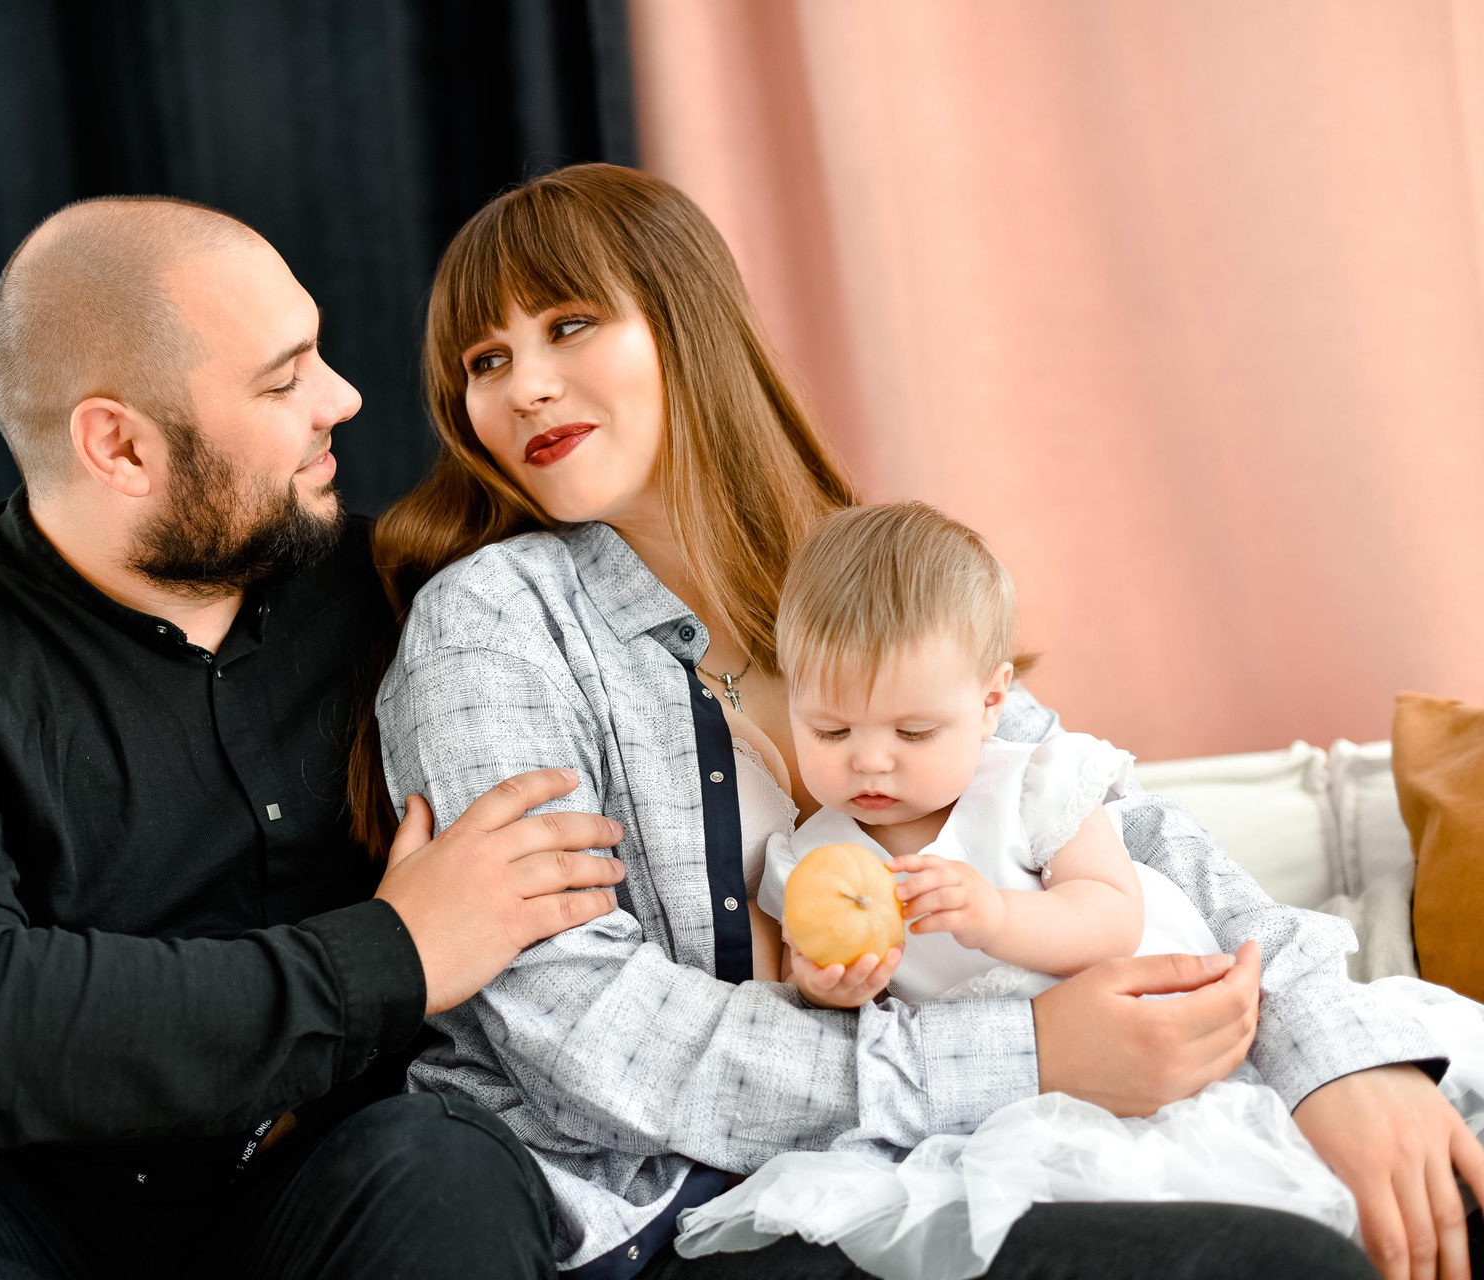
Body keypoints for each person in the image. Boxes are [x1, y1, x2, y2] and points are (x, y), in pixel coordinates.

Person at [365, 162, 1483, 1279]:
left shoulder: (853, 570)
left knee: (1447, 1188)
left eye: (569, 325)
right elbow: (581, 1025)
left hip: (995, 1138)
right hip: (691, 1205)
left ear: (689, 321)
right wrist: (1029, 1054)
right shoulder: (491, 622)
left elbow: (1121, 830)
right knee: (1272, 1267)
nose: (525, 388)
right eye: (485, 361)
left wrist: (1332, 1056)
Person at [0, 195, 629, 1279]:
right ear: (120, 445)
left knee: (448, 1163)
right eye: (283, 380)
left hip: (332, 1215)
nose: (343, 398)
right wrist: (393, 953)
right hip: (27, 1232)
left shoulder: (417, 598)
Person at [671, 501, 1484, 1278]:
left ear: (991, 703)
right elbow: (819, 1009)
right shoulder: (808, 856)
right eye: (831, 730)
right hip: (1016, 1099)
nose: (870, 760)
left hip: (1177, 1048)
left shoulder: (1033, 786)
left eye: (914, 731)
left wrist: (996, 914)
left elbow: (1111, 917)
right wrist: (836, 984)